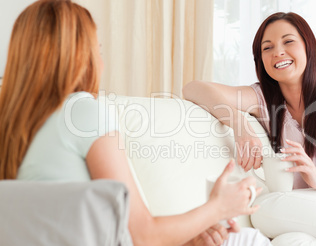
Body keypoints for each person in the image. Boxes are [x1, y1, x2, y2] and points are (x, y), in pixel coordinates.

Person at [0, 1, 272, 245]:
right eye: (99, 50)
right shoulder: (82, 112)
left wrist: (188, 239)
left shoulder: (9, 123)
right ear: (81, 57)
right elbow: (143, 236)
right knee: (248, 239)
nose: (101, 62)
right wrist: (220, 207)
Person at [183, 12, 316, 245]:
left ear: (308, 47)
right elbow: (193, 89)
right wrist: (239, 124)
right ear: (261, 60)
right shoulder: (263, 102)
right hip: (311, 212)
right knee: (288, 240)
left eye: (288, 41)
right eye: (267, 48)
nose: (277, 52)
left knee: (264, 210)